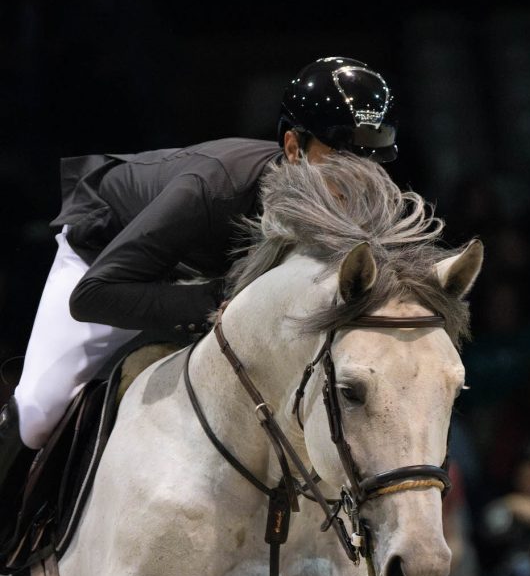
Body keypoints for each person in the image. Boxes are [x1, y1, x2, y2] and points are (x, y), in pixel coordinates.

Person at [0, 56, 398, 540]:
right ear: (294, 147)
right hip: (108, 258)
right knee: (38, 411)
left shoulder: (346, 199)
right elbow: (92, 297)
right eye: (341, 158)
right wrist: (216, 302)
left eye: (372, 159)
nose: (360, 178)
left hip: (205, 273)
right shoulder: (213, 188)